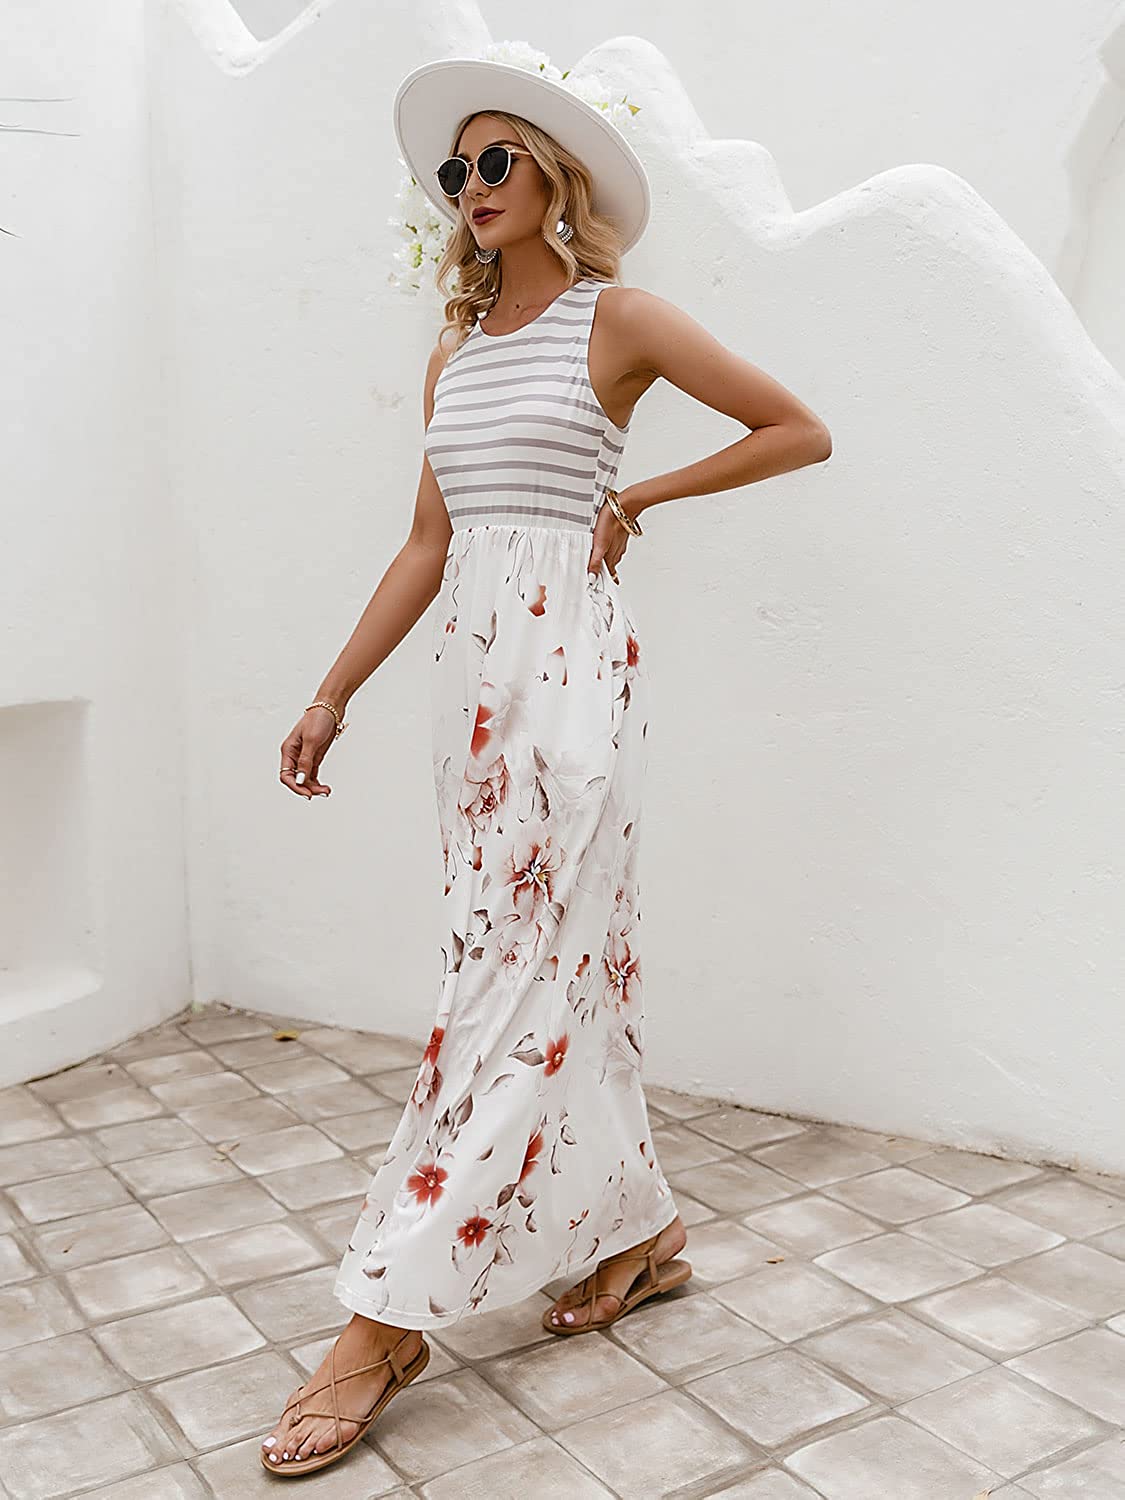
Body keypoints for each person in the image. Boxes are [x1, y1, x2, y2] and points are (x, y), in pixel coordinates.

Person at [260, 53, 832, 1478]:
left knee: (510, 982)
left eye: (495, 160)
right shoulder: (456, 352)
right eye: (453, 171)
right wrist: (331, 692)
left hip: (573, 679)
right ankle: (644, 1234)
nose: (470, 186)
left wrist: (644, 492)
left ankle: (383, 1318)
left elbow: (796, 429)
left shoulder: (615, 318)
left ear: (556, 177)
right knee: (536, 968)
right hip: (474, 695)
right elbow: (427, 542)